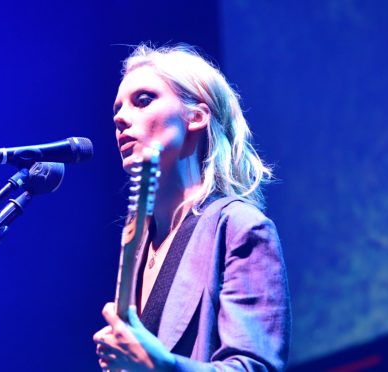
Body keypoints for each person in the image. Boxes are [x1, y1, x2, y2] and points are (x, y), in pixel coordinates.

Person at [93, 43, 291, 371]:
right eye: (117, 109)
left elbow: (255, 367)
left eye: (142, 100)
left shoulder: (239, 226)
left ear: (195, 117)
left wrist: (164, 366)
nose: (121, 119)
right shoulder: (137, 241)